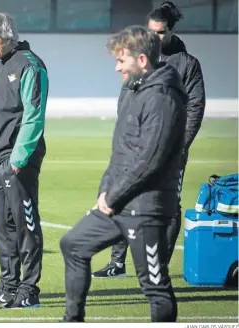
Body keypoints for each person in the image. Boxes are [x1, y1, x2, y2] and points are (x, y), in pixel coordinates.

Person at [60, 25, 186, 322]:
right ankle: (71, 320)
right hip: (118, 205)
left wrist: (114, 195)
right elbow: (121, 150)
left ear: (142, 60)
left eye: (121, 60)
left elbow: (150, 159)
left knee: (155, 287)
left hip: (146, 209)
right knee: (73, 244)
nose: (117, 67)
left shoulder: (163, 97)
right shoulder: (132, 90)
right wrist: (105, 191)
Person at [92, 1, 206, 279]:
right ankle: (117, 263)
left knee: (167, 206)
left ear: (171, 30)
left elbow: (195, 108)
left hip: (170, 152)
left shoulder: (187, 65)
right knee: (119, 198)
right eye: (151, 31)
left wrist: (179, 146)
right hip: (132, 150)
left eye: (161, 32)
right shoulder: (139, 59)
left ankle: (159, 269)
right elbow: (125, 100)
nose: (155, 37)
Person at [0, 12, 49, 309]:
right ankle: (8, 285)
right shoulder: (0, 66)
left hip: (16, 161)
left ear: (6, 36)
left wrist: (17, 161)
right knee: (3, 228)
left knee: (24, 226)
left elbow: (34, 118)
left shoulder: (30, 65)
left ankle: (29, 288)